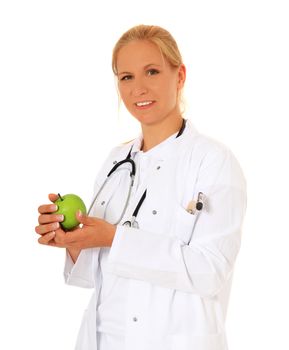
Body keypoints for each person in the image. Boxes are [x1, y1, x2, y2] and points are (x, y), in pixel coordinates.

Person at [35, 24, 247, 350]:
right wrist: (73, 241)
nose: (138, 88)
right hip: (103, 339)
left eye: (152, 71)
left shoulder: (213, 161)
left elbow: (209, 271)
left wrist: (114, 237)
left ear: (180, 76)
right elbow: (99, 273)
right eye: (126, 77)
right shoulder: (115, 162)